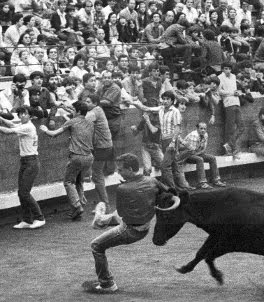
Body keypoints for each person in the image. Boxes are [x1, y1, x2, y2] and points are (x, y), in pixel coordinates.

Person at [83, 153, 177, 293]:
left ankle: (107, 284)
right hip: (144, 227)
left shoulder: (123, 189)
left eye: (121, 170)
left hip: (130, 230)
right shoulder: (152, 181)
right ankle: (101, 220)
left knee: (96, 245)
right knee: (111, 220)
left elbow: (122, 214)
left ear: (131, 170)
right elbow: (170, 193)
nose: (118, 172)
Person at [39, 102, 94, 220]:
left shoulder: (72, 121)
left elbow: (54, 134)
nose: (72, 111)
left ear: (78, 111)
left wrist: (44, 130)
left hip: (77, 157)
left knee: (68, 182)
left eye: (73, 109)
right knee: (79, 181)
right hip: (89, 157)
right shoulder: (90, 122)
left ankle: (77, 205)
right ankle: (78, 207)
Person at [0, 106, 46, 229]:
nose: (22, 116)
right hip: (26, 161)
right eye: (20, 114)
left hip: (31, 162)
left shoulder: (28, 127)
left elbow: (9, 130)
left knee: (24, 193)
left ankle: (40, 218)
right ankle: (27, 219)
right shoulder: (23, 125)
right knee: (21, 193)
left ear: (30, 116)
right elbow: (11, 124)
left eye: (25, 114)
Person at [84, 94, 113, 211]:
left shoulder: (95, 111)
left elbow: (82, 120)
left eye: (88, 101)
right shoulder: (97, 110)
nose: (86, 103)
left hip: (102, 147)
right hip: (103, 146)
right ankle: (103, 204)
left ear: (95, 103)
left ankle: (105, 205)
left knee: (97, 175)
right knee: (97, 175)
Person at [182, 122, 227, 189]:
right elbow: (191, 151)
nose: (203, 130)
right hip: (186, 155)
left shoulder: (205, 135)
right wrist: (199, 154)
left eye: (204, 129)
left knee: (212, 158)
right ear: (197, 129)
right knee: (200, 159)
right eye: (201, 128)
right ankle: (202, 183)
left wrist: (199, 153)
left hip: (197, 153)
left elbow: (203, 149)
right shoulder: (194, 135)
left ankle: (216, 180)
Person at [218, 62, 244, 159]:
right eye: (225, 69)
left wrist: (237, 93)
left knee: (242, 127)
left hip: (236, 102)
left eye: (229, 69)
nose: (228, 71)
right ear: (222, 69)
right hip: (228, 104)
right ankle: (229, 149)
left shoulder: (233, 76)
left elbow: (234, 90)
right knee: (230, 128)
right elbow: (219, 91)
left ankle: (229, 144)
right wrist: (232, 93)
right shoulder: (220, 77)